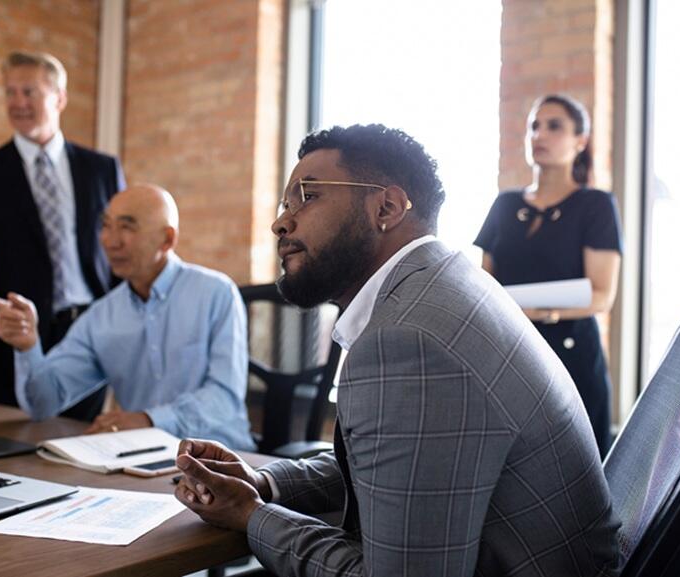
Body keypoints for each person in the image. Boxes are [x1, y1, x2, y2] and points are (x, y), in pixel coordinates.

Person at [173, 124, 620, 576]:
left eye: (307, 196)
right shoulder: (448, 285)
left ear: (385, 207)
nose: (281, 221)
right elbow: (399, 466)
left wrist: (251, 515)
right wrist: (263, 483)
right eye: (285, 203)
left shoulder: (408, 340)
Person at [0, 184, 253, 449]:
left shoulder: (216, 293)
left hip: (226, 458)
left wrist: (148, 420)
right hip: (141, 460)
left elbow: (223, 399)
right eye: (106, 225)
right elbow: (43, 404)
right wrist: (27, 347)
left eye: (127, 227)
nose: (110, 241)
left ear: (167, 239)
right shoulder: (101, 316)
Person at [0, 51, 125, 421]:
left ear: (59, 98)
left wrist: (128, 340)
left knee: (82, 449)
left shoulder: (102, 170)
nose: (17, 103)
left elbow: (122, 256)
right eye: (10, 92)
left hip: (89, 335)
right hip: (11, 339)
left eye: (29, 92)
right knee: (12, 455)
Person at [475, 94, 622, 457]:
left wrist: (539, 314)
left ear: (580, 141)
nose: (539, 135)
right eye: (534, 126)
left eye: (554, 126)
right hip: (507, 354)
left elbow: (602, 294)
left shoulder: (595, 205)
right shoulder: (505, 204)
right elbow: (483, 288)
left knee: (577, 470)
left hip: (570, 356)